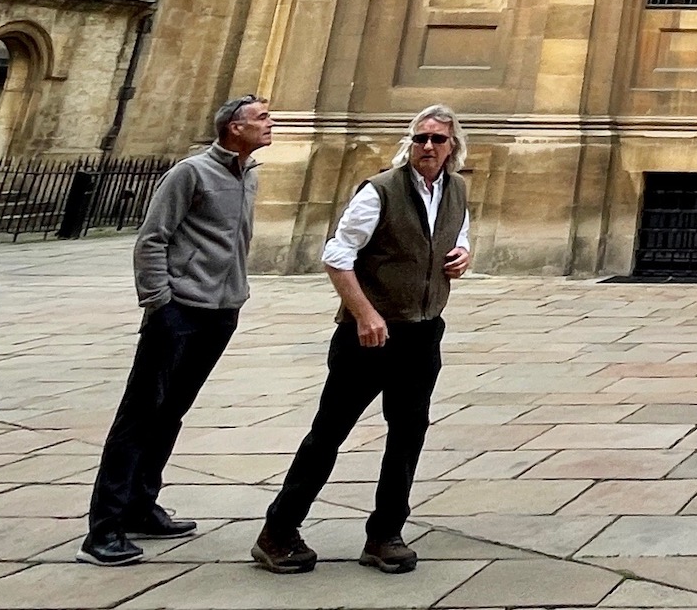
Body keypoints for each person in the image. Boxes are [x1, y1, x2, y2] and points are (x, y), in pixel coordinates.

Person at [252, 106, 472, 575]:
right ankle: (278, 531)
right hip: (368, 335)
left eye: (437, 140)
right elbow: (337, 255)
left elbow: (456, 237)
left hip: (423, 331)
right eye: (420, 139)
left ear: (453, 146)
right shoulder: (380, 191)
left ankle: (385, 534)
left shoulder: (456, 190)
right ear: (409, 144)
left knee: (408, 433)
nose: (428, 147)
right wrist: (365, 315)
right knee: (329, 434)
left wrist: (461, 256)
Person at [80, 94, 272, 566]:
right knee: (139, 415)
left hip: (222, 310)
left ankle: (141, 506)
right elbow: (152, 239)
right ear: (233, 128)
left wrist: (236, 293)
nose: (270, 124)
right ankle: (102, 531)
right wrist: (159, 303)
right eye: (261, 118)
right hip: (180, 312)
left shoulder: (248, 173)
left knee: (171, 413)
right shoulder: (191, 173)